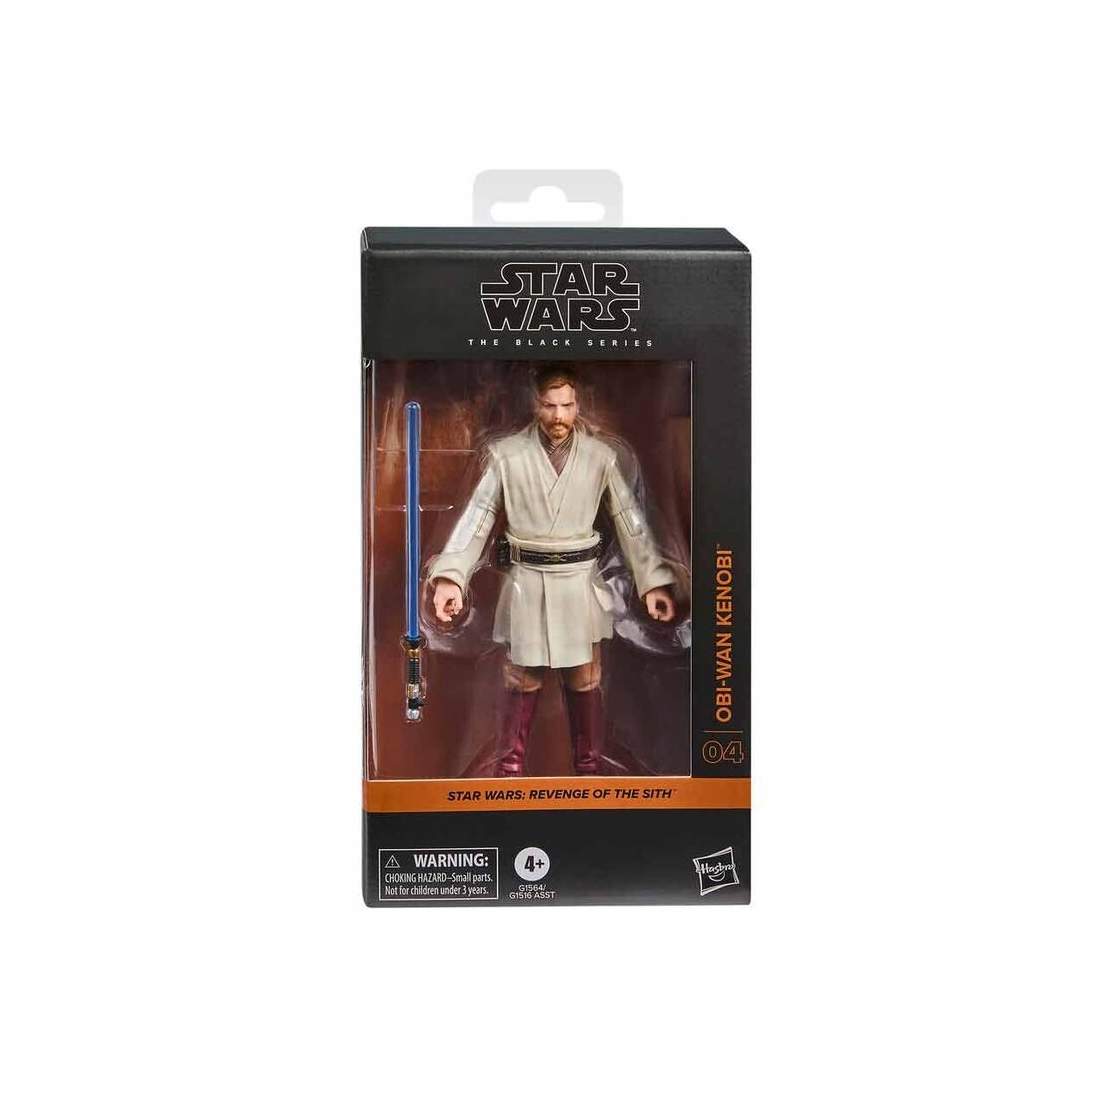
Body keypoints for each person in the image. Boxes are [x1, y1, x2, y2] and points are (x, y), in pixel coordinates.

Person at [427, 365, 677, 776]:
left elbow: (629, 520)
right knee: (521, 677)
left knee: (586, 676)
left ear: (578, 405)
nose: (559, 415)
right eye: (550, 406)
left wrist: (652, 583)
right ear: (535, 405)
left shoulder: (600, 457)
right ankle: (509, 770)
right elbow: (478, 517)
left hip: (579, 584)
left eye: (567, 405)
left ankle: (589, 770)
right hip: (527, 582)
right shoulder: (507, 455)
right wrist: (452, 576)